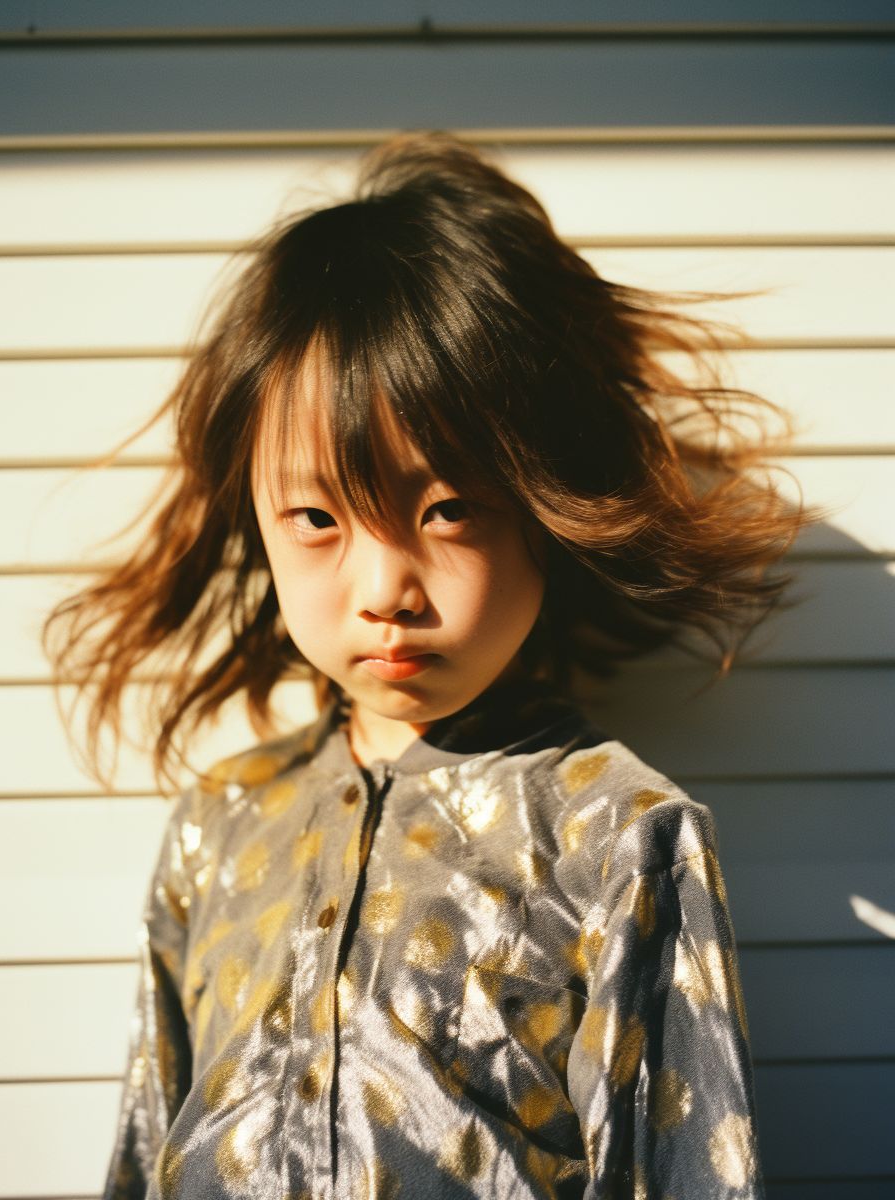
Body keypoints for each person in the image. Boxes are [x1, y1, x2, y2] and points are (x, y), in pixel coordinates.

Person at [44, 133, 804, 1199]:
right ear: (254, 523)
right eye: (314, 517)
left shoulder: (621, 840)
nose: (385, 587)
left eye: (447, 509)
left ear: (547, 502)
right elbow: (143, 1151)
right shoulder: (218, 826)